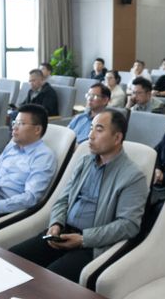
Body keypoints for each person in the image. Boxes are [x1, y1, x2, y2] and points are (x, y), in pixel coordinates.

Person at [9, 110, 148, 283]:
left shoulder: (133, 177)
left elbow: (129, 225)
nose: (90, 135)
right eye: (91, 128)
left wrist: (83, 239)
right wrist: (56, 223)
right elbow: (63, 199)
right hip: (63, 232)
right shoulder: (85, 162)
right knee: (12, 259)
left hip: (92, 245)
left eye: (99, 130)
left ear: (117, 138)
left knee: (48, 280)